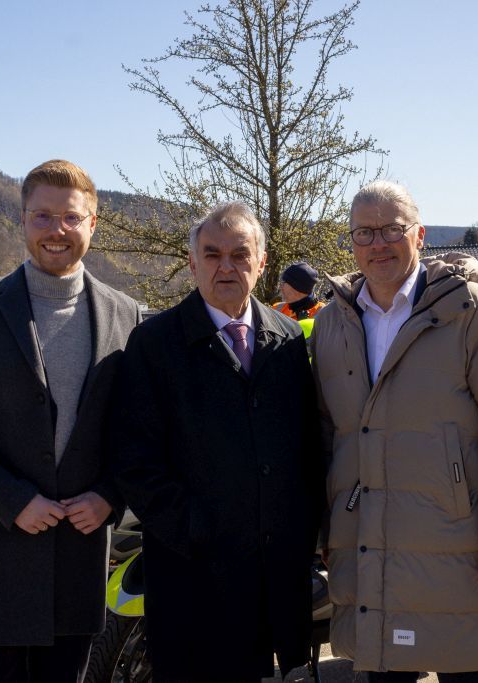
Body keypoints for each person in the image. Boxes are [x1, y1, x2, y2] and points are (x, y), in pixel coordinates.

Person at [309, 181, 478, 682]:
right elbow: (328, 438)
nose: (378, 243)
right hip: (367, 545)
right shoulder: (332, 323)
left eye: (392, 229)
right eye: (364, 232)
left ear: (419, 235)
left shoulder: (474, 311)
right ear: (351, 242)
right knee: (382, 671)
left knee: (465, 670)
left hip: (457, 547)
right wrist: (331, 531)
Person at [0, 159, 142, 683]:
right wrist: (14, 500)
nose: (56, 230)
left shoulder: (126, 314)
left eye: (70, 217)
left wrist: (110, 496)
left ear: (92, 223)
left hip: (79, 553)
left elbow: (138, 430)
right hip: (0, 550)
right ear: (22, 220)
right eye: (42, 216)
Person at [112, 201, 323, 683]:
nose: (225, 266)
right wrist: (197, 530)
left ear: (261, 263)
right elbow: (133, 461)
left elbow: (308, 445)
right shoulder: (154, 343)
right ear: (192, 263)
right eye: (212, 254)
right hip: (195, 574)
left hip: (276, 574)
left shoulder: (289, 338)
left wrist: (306, 531)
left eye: (239, 254)